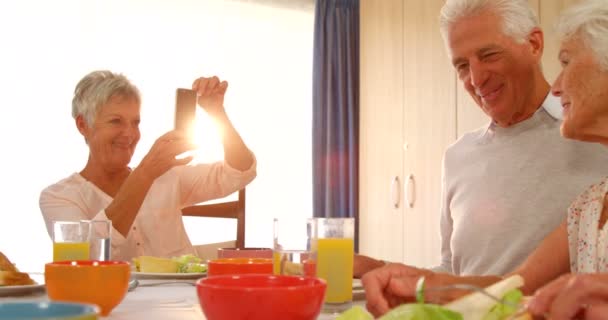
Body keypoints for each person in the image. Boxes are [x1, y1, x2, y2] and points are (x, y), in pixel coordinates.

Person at [362, 1, 608, 319]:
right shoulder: (585, 209)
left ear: (534, 45)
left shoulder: (584, 144)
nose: (476, 80)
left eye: (566, 62)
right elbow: (507, 287)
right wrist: (394, 277)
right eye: (462, 66)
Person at [40, 70, 256, 261]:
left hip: (182, 302)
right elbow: (87, 256)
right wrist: (145, 174)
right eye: (116, 121)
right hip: (116, 304)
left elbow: (239, 172)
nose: (130, 134)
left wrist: (217, 113)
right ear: (83, 125)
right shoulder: (59, 197)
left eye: (135, 122)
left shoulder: (168, 177)